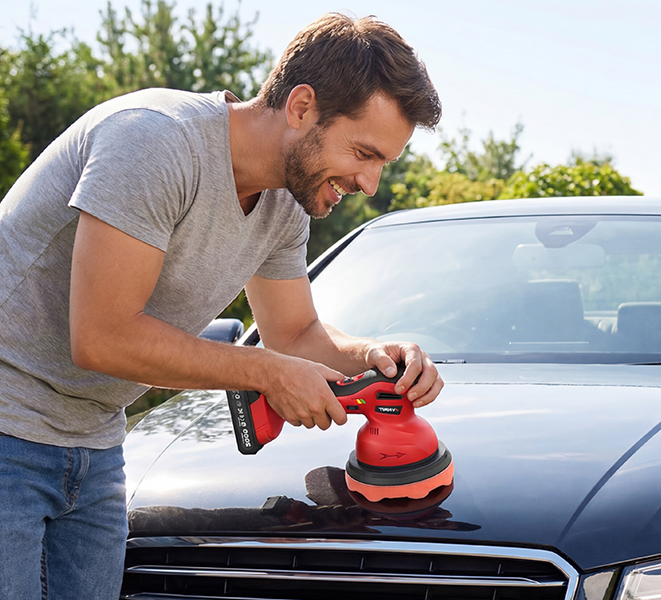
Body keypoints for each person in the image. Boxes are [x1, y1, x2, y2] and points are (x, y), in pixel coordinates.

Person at [0, 14, 444, 599]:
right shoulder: (155, 140)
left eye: (384, 161)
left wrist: (375, 355)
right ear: (302, 106)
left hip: (94, 442)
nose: (369, 181)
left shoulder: (284, 204)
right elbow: (102, 337)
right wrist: (264, 371)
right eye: (363, 152)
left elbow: (295, 332)